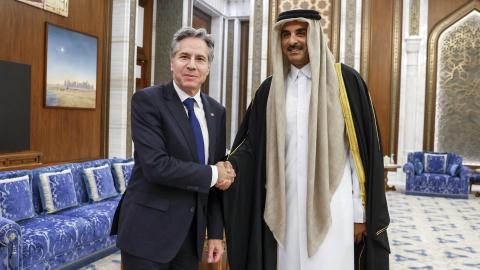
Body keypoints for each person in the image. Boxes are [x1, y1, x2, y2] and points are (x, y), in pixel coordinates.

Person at [222, 9, 390, 270]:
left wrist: (361, 213)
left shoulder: (345, 82)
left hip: (335, 206)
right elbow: (251, 147)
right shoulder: (270, 89)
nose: (293, 41)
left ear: (315, 36)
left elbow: (360, 153)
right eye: (286, 34)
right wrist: (227, 168)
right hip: (284, 205)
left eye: (301, 32)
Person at [111, 27, 235, 270]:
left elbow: (216, 179)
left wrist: (216, 232)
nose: (191, 65)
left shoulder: (216, 111)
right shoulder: (148, 101)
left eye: (200, 59)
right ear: (172, 63)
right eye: (184, 57)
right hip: (147, 233)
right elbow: (157, 166)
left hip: (190, 237)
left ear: (208, 68)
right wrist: (214, 173)